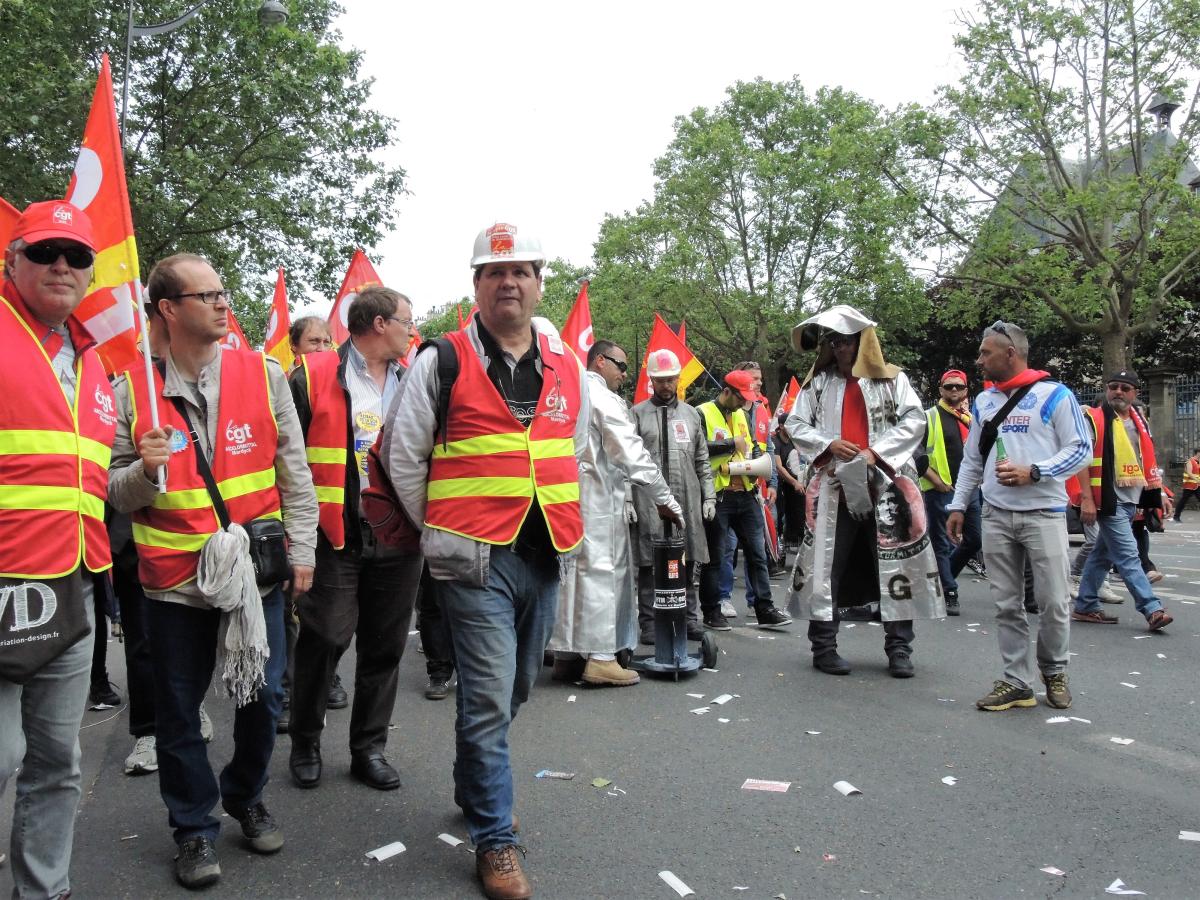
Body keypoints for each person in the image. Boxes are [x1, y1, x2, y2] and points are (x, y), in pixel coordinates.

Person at [381, 222, 589, 899]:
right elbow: (402, 456)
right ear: (476, 285)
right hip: (474, 563)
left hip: (544, 554)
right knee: (489, 703)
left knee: (515, 689)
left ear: (537, 281)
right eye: (496, 272)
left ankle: (475, 783)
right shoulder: (440, 360)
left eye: (522, 270)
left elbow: (572, 447)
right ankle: (496, 840)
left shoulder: (566, 365)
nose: (510, 282)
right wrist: (441, 527)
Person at [108, 252, 318, 889]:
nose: (224, 304)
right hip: (172, 585)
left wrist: (303, 550)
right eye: (207, 295)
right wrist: (144, 471)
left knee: (265, 700)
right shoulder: (131, 391)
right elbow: (114, 495)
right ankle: (194, 830)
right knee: (177, 713)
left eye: (224, 292)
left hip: (256, 579)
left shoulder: (265, 374)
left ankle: (245, 795)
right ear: (169, 309)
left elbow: (294, 470)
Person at [0, 201, 114, 899]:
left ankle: (43, 889)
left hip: (73, 585)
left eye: (75, 255)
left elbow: (83, 484)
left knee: (56, 761)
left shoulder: (94, 359)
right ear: (12, 261)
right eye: (44, 252)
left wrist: (140, 476)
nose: (62, 266)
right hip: (3, 581)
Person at [288, 287, 423, 790]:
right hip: (334, 532)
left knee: (385, 646)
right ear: (380, 324)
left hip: (400, 532)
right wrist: (292, 534)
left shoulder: (415, 381)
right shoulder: (314, 373)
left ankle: (369, 748)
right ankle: (304, 740)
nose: (413, 330)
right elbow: (286, 455)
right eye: (407, 321)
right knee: (324, 638)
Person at [786, 305, 942, 678]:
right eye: (834, 342)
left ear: (863, 343)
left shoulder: (892, 381)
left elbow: (915, 419)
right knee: (826, 566)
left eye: (846, 341)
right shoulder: (818, 384)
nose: (839, 349)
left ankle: (900, 649)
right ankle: (823, 646)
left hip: (885, 485)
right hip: (834, 486)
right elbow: (794, 422)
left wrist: (877, 452)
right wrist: (829, 443)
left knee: (895, 564)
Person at [947, 320, 1091, 712]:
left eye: (985, 353)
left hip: (1044, 513)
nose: (979, 361)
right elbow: (973, 460)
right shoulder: (983, 402)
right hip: (995, 515)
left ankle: (1055, 671)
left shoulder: (1055, 395)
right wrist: (959, 505)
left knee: (1055, 602)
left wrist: (1036, 471)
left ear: (1010, 353)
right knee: (1007, 604)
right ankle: (1016, 681)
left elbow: (1081, 449)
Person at [549, 340, 681, 686]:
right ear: (598, 362)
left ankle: (567, 656)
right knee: (602, 576)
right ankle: (602, 658)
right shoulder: (603, 398)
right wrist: (664, 498)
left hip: (564, 501)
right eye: (620, 365)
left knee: (570, 577)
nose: (625, 373)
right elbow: (632, 454)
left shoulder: (563, 394)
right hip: (598, 503)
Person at [1070, 372, 1173, 632]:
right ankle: (1152, 609)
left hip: (1131, 497)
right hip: (1107, 499)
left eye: (1125, 388)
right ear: (1106, 389)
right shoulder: (1092, 418)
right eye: (1113, 386)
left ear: (1134, 393)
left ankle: (1085, 605)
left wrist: (1158, 493)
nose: (1118, 391)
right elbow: (1082, 459)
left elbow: (1146, 461)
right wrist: (1086, 499)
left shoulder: (1140, 421)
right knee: (1128, 555)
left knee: (1102, 555)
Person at [279, 312, 341, 734]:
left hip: (330, 520)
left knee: (324, 611)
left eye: (326, 342)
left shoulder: (338, 387)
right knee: (289, 606)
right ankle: (285, 690)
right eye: (313, 342)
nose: (320, 349)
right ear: (295, 346)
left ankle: (326, 676)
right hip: (295, 515)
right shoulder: (289, 387)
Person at [630, 349, 716, 644]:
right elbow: (626, 460)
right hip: (648, 499)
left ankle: (689, 619)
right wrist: (629, 500)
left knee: (687, 559)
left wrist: (709, 497)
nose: (665, 386)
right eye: (660, 380)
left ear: (678, 379)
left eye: (670, 380)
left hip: (687, 498)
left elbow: (703, 461)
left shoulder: (692, 415)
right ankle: (650, 623)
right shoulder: (637, 414)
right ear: (651, 380)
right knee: (648, 561)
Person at [697, 373, 792, 631]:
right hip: (718, 495)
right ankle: (712, 610)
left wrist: (759, 465)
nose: (744, 403)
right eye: (741, 397)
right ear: (727, 391)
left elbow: (753, 447)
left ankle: (765, 608)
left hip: (746, 493)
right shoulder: (702, 412)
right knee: (715, 557)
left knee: (757, 554)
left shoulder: (742, 414)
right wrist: (729, 444)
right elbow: (696, 449)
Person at [916, 369, 983, 615]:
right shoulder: (929, 417)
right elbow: (917, 454)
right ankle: (949, 589)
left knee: (975, 539)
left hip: (970, 490)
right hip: (941, 490)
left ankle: (942, 579)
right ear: (941, 390)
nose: (954, 390)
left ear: (966, 391)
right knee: (941, 542)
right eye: (949, 386)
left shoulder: (970, 419)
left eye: (958, 387)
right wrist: (937, 481)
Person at [1172, 447, 1199, 522]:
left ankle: (1176, 516)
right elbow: (1189, 473)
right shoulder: (1190, 461)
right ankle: (1176, 516)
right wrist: (1197, 480)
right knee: (1183, 501)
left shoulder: (1198, 462)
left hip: (1197, 485)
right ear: (1198, 453)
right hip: (1189, 486)